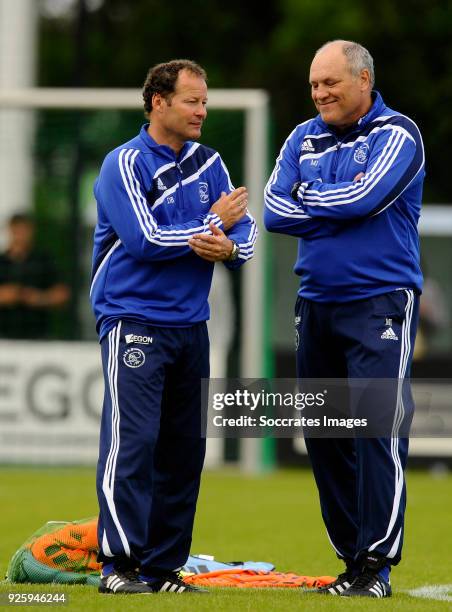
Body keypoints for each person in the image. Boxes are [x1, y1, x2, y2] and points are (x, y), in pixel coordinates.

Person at [264, 40, 425, 598]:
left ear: (363, 80)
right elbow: (271, 210)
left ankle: (376, 566)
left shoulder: (398, 134)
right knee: (324, 433)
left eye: (330, 83)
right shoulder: (300, 136)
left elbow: (364, 198)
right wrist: (327, 202)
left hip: (380, 301)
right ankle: (351, 559)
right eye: (313, 85)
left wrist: (310, 197)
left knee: (375, 429)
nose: (319, 94)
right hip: (317, 301)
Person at [90, 59, 257, 595]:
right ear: (158, 102)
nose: (202, 111)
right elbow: (144, 240)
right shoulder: (123, 164)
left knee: (185, 451)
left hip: (192, 324)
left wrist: (229, 244)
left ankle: (163, 569)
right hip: (133, 318)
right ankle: (118, 566)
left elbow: (246, 237)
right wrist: (214, 226)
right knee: (133, 443)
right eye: (192, 101)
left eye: (205, 101)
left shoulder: (210, 162)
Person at [0, 213, 70, 339]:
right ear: (10, 230)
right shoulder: (2, 262)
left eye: (24, 230)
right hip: (5, 336)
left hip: (38, 336)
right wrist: (8, 295)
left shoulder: (43, 260)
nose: (21, 235)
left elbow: (62, 294)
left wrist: (38, 298)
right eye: (17, 230)